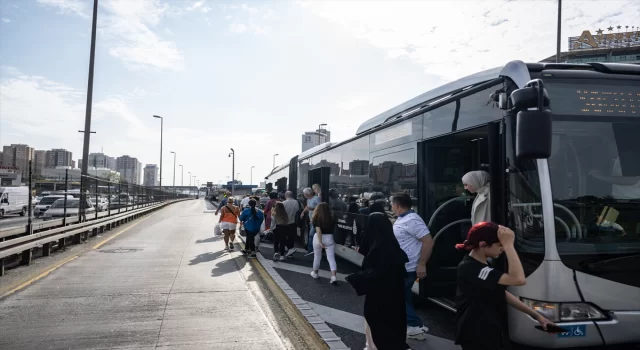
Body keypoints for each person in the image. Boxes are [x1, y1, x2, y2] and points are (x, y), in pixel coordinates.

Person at [454, 222, 555, 350]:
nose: (502, 249)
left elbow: (501, 292)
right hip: (476, 332)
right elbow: (518, 279)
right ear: (483, 244)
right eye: (500, 245)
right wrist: (509, 246)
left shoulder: (482, 264)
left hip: (488, 329)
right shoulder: (471, 268)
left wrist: (538, 316)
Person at [358, 212, 410, 350]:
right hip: (395, 295)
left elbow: (373, 273)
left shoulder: (376, 249)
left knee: (374, 322)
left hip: (378, 296)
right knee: (394, 325)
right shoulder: (393, 245)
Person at [391, 193, 433, 340]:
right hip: (403, 266)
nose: (391, 208)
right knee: (404, 296)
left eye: (392, 205)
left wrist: (422, 264)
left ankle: (415, 326)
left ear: (397, 205)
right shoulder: (404, 219)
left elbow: (428, 241)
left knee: (397, 296)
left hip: (408, 267)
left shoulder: (412, 220)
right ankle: (412, 325)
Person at [310, 202, 338, 284]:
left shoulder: (316, 217)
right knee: (331, 258)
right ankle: (333, 277)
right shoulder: (332, 217)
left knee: (317, 256)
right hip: (330, 238)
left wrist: (320, 242)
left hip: (318, 238)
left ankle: (315, 273)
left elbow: (318, 231)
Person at [300, 185, 321, 253]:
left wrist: (312, 209)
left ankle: (310, 250)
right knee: (311, 234)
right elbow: (307, 207)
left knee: (311, 235)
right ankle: (311, 249)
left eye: (304, 194)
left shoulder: (316, 198)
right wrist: (303, 212)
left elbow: (320, 208)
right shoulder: (308, 199)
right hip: (311, 219)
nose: (304, 195)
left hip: (316, 219)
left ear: (307, 194)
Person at [282, 191, 301, 258]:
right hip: (293, 222)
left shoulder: (283, 203)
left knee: (283, 236)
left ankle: (288, 248)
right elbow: (298, 211)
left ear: (286, 195)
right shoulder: (296, 202)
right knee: (291, 237)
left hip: (285, 222)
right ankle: (291, 252)